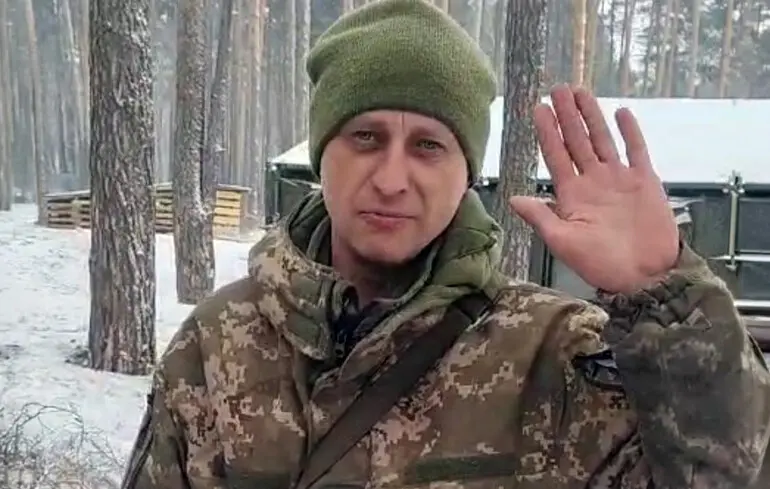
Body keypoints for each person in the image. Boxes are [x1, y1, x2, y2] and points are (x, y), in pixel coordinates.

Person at [120, 1, 770, 488]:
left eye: (429, 146)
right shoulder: (217, 346)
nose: (392, 178)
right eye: (366, 137)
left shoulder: (554, 355)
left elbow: (730, 472)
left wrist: (667, 296)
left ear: (466, 174)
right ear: (322, 155)